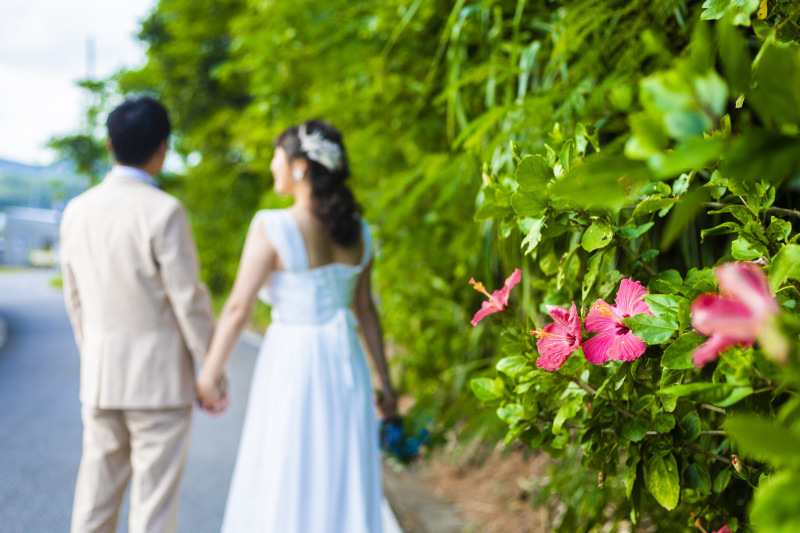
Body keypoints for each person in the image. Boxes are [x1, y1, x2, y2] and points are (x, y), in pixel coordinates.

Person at [196, 119, 397, 532]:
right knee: (342, 467)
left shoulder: (273, 225)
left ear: (301, 166)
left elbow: (238, 309)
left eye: (277, 156)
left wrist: (209, 375)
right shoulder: (360, 230)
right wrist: (387, 383)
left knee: (287, 465)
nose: (273, 165)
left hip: (295, 363)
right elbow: (366, 311)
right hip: (347, 366)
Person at [60, 95, 216, 533]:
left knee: (94, 503)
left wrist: (93, 354)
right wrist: (212, 367)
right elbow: (188, 300)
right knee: (154, 510)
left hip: (102, 378)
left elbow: (75, 299)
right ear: (163, 147)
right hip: (160, 384)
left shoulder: (77, 211)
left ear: (109, 144)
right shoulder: (164, 212)